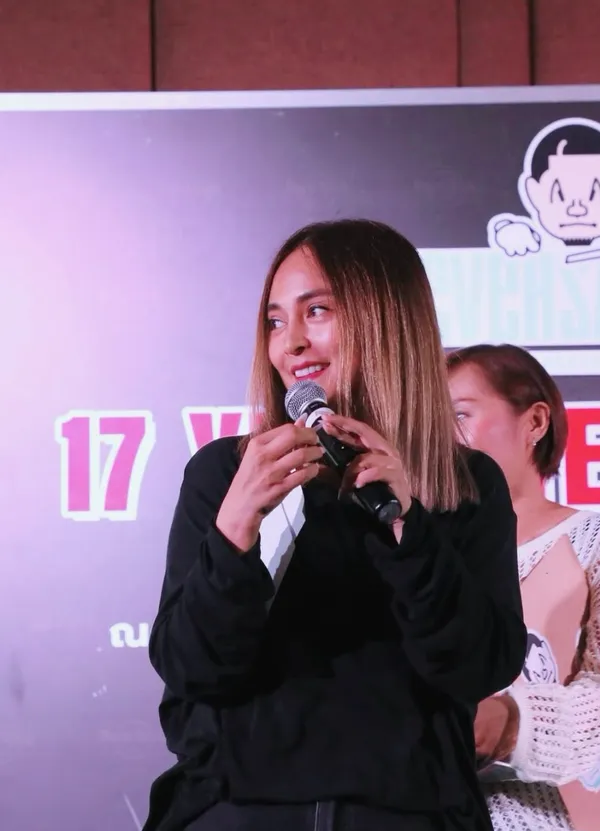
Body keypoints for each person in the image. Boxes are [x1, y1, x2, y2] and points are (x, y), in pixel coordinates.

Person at [143, 219, 527, 831]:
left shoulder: (464, 483)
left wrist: (409, 530)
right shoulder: (225, 473)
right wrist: (235, 529)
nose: (290, 343)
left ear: (387, 320)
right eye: (275, 321)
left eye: (316, 311)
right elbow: (191, 669)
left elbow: (478, 667)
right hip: (238, 813)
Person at [447, 343, 600, 831]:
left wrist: (513, 723)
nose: (442, 438)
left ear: (535, 422)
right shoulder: (414, 552)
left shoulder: (591, 542)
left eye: (460, 415)